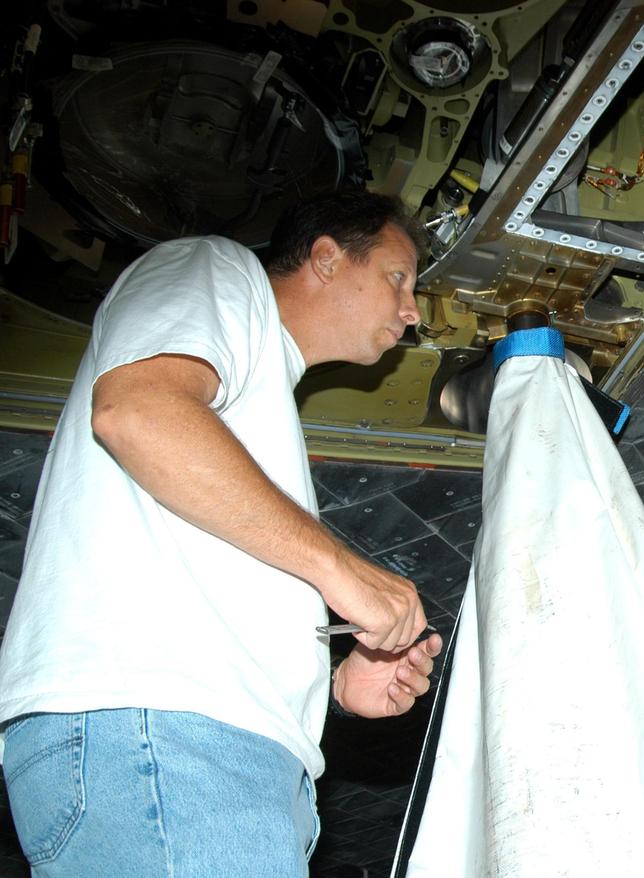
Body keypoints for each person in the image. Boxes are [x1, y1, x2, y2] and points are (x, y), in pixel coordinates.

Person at [0, 190, 445, 876]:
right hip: (167, 738)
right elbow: (138, 412)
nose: (412, 310)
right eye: (398, 276)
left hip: (201, 751)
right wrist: (342, 571)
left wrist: (332, 689)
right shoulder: (214, 266)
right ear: (325, 257)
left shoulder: (255, 401)